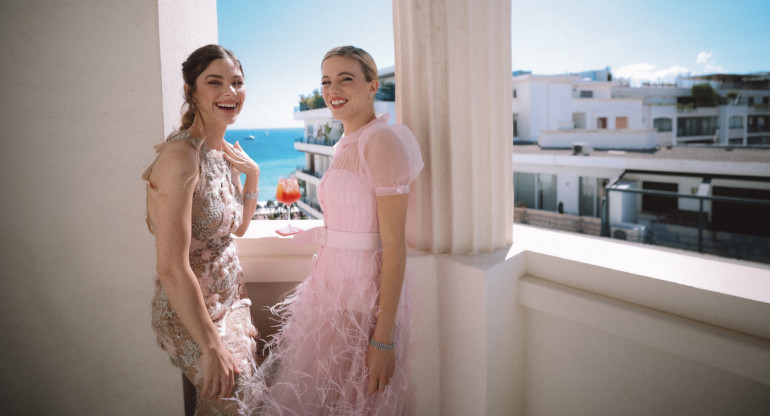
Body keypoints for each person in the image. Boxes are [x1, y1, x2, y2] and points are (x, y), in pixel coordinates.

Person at [257, 46, 424, 415]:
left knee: (353, 401)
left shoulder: (380, 141)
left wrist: (383, 340)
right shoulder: (344, 144)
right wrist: (309, 234)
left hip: (362, 300)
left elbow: (394, 246)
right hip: (330, 291)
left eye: (345, 78)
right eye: (326, 81)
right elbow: (352, 221)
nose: (333, 89)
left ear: (372, 86)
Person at [142, 44, 262, 415]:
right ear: (190, 91)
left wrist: (253, 175)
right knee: (238, 400)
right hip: (191, 316)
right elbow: (171, 267)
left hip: (232, 303)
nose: (230, 92)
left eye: (237, 82)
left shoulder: (222, 151)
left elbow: (237, 229)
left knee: (245, 402)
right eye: (215, 82)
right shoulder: (181, 157)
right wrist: (211, 347)